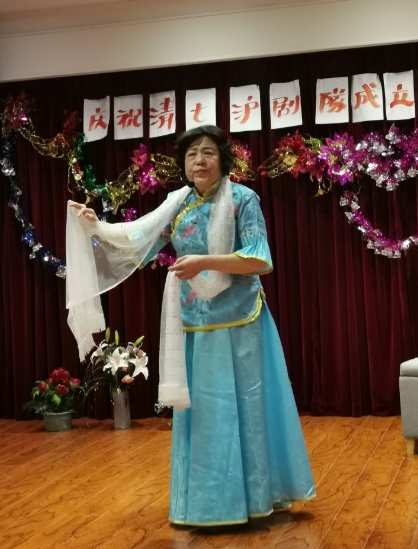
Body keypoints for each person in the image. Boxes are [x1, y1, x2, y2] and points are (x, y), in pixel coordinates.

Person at [66, 125, 315, 526]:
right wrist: (97, 226)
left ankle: (252, 500)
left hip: (240, 320)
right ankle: (203, 505)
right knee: (203, 413)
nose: (200, 160)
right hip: (195, 324)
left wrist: (204, 263)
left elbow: (259, 259)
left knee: (244, 408)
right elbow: (138, 240)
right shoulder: (177, 205)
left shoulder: (243, 200)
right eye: (192, 154)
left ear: (223, 160)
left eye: (208, 152)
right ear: (183, 164)